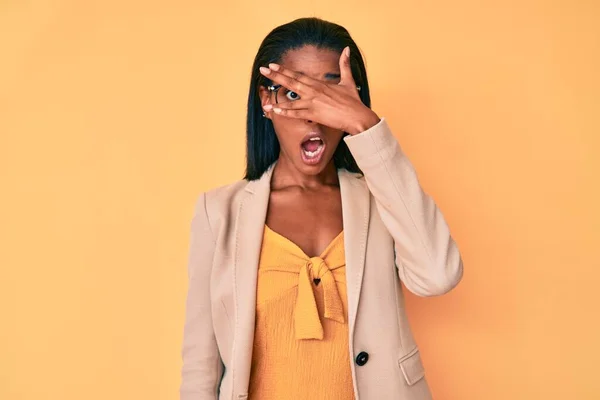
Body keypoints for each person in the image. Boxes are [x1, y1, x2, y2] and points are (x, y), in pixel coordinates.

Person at [180, 17, 463, 400]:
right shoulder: (220, 212)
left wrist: (365, 125)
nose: (315, 115)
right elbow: (201, 363)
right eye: (295, 94)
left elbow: (438, 275)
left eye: (330, 97)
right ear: (268, 102)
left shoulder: (383, 200)